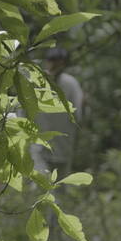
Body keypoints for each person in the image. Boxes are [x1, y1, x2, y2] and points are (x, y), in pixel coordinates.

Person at [31, 48, 84, 176]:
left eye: (57, 62)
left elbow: (79, 114)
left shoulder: (71, 84)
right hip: (39, 147)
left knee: (60, 187)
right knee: (42, 184)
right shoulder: (37, 82)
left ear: (63, 63)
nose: (53, 65)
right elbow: (23, 109)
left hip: (63, 147)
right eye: (51, 61)